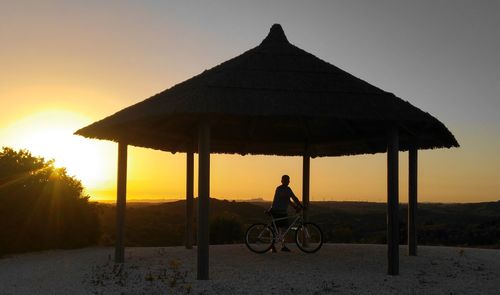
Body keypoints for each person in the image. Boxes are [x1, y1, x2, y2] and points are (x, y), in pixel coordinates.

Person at [269, 174, 303, 252]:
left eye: (288, 180)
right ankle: (272, 246)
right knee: (275, 229)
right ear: (282, 181)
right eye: (285, 180)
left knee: (285, 230)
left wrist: (299, 206)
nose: (287, 181)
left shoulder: (288, 189)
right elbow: (289, 199)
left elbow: (293, 198)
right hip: (276, 211)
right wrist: (298, 206)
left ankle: (283, 246)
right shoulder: (279, 189)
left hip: (283, 211)